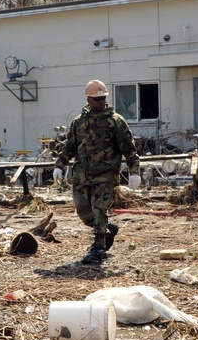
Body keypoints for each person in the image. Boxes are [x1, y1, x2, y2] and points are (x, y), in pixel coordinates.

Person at [53, 79, 141, 264]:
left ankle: (98, 248)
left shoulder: (115, 121)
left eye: (103, 98)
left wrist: (134, 170)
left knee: (99, 208)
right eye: (96, 99)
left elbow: (129, 148)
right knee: (84, 211)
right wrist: (59, 165)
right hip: (82, 174)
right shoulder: (79, 122)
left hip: (105, 173)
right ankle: (108, 228)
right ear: (88, 99)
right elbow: (70, 146)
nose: (101, 102)